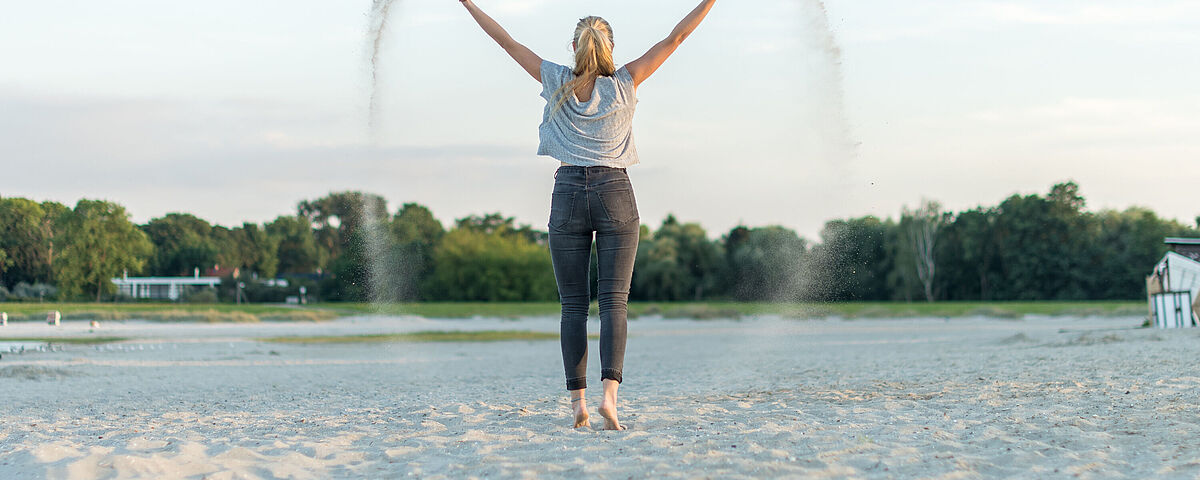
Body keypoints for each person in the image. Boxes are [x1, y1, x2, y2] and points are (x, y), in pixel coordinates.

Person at [459, 0, 717, 430]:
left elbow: (506, 41)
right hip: (615, 190)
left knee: (573, 305)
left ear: (575, 46)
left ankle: (578, 404)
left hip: (568, 193)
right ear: (609, 46)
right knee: (614, 302)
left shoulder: (556, 80)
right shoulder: (626, 81)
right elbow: (676, 37)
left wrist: (468, 3)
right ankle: (609, 398)